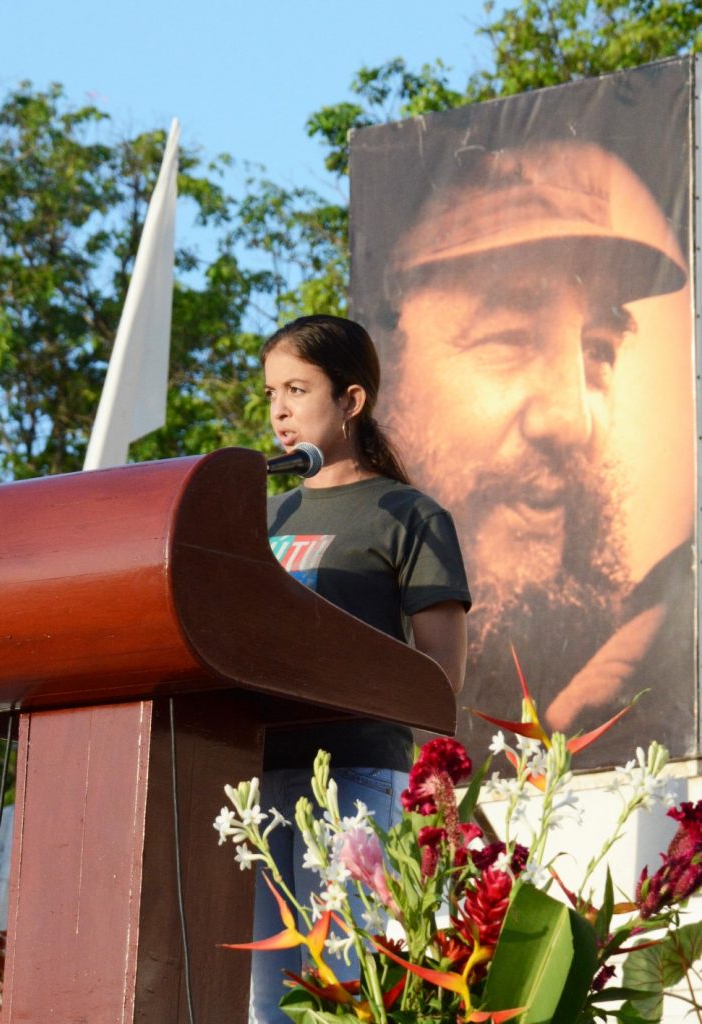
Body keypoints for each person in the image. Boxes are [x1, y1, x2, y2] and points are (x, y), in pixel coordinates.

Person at [374, 140, 692, 756]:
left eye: (598, 347)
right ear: (388, 374)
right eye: (509, 338)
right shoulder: (321, 624)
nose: (570, 419)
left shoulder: (640, 688)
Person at [252, 313, 471, 1024]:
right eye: (269, 394)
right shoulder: (264, 515)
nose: (279, 410)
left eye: (297, 389)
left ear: (350, 401)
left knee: (344, 986)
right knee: (270, 1002)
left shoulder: (405, 514)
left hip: (354, 774)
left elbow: (440, 668)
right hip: (258, 780)